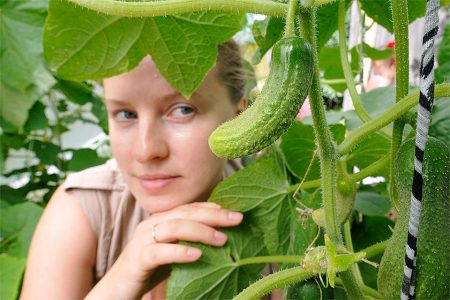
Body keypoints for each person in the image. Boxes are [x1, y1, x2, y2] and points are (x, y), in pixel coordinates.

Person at [20, 40, 248, 299]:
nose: (145, 150)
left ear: (240, 116)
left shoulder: (287, 204)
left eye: (183, 110)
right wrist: (118, 283)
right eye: (125, 114)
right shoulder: (84, 206)